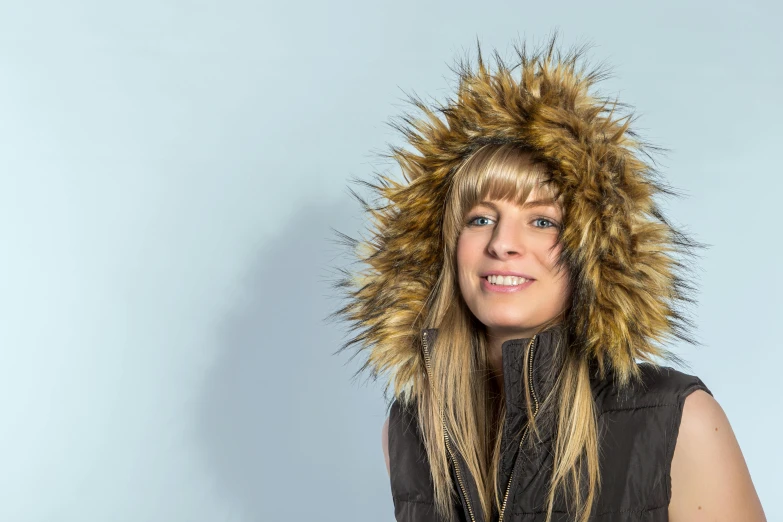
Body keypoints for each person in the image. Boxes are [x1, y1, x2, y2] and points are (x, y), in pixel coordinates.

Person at [330, 35, 766, 522]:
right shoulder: (410, 430)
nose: (502, 244)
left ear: (595, 255)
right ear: (444, 249)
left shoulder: (675, 418)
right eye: (478, 219)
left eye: (542, 221)